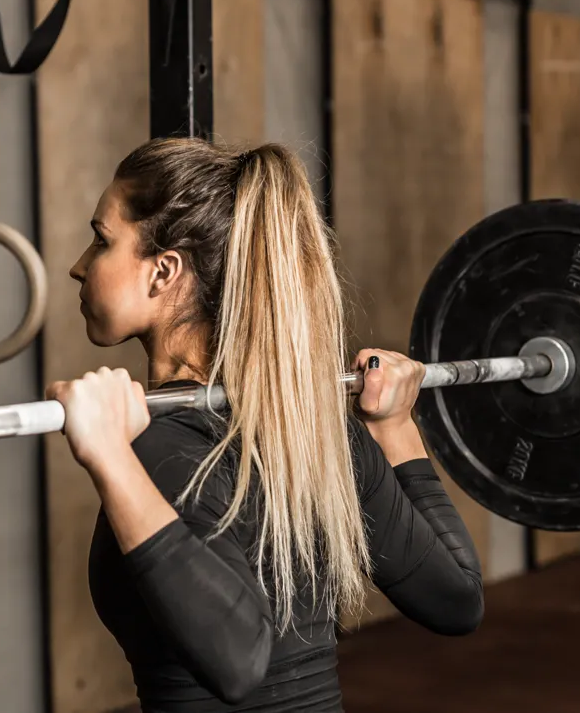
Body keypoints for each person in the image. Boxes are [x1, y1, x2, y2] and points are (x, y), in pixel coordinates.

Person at [46, 138, 484, 712]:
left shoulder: (159, 447)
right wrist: (396, 427)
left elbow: (238, 662)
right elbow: (457, 597)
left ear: (163, 272)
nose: (80, 265)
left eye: (102, 240)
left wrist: (110, 456)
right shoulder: (315, 431)